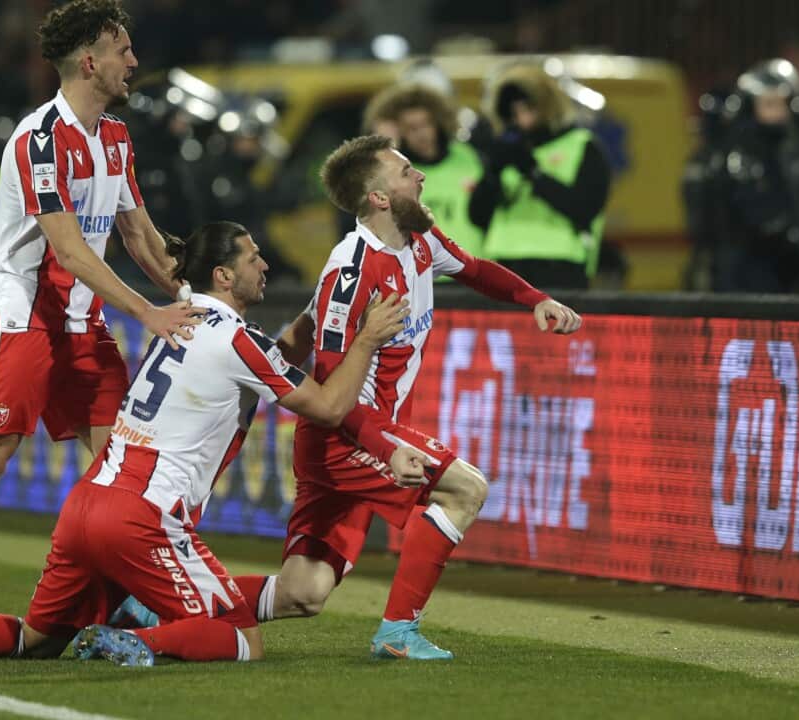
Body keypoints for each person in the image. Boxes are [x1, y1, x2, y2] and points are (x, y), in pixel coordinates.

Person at [0, 221, 416, 665]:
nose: (266, 264)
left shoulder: (183, 323)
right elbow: (331, 405)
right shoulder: (238, 341)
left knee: (35, 641)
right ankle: (135, 639)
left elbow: (268, 361)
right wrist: (364, 340)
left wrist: (313, 320)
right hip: (146, 518)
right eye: (254, 256)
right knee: (241, 640)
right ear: (224, 275)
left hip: (86, 506)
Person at [117, 135, 582, 659]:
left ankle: (154, 612)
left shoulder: (421, 241)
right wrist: (385, 449)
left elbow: (475, 269)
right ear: (381, 198)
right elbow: (333, 394)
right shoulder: (352, 273)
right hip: (347, 437)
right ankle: (398, 634)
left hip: (359, 436)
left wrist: (535, 299)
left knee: (303, 593)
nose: (421, 177)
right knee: (465, 490)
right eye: (407, 172)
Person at [0, 0, 203, 635]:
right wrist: (148, 311)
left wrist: (199, 293)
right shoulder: (38, 139)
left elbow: (140, 237)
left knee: (117, 469)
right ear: (90, 61)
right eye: (122, 49)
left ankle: (109, 606)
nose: (133, 60)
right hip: (24, 315)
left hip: (84, 324)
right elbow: (68, 249)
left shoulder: (114, 138)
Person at [685, 60, 799, 294]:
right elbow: (754, 219)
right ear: (751, 107)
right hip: (750, 278)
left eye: (783, 103)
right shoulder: (739, 159)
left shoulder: (798, 152)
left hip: (791, 277)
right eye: (769, 104)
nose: (780, 112)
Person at [469, 63, 611, 290]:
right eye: (514, 113)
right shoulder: (508, 152)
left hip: (560, 268)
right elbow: (477, 216)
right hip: (505, 265)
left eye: (528, 109)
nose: (522, 120)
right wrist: (492, 175)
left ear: (547, 107)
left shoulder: (582, 147)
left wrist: (533, 173)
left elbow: (584, 209)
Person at [363, 82, 487, 258]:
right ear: (400, 132)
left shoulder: (470, 158)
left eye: (426, 124)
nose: (421, 134)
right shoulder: (393, 171)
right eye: (412, 128)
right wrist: (385, 146)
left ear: (439, 123)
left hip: (469, 271)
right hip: (417, 274)